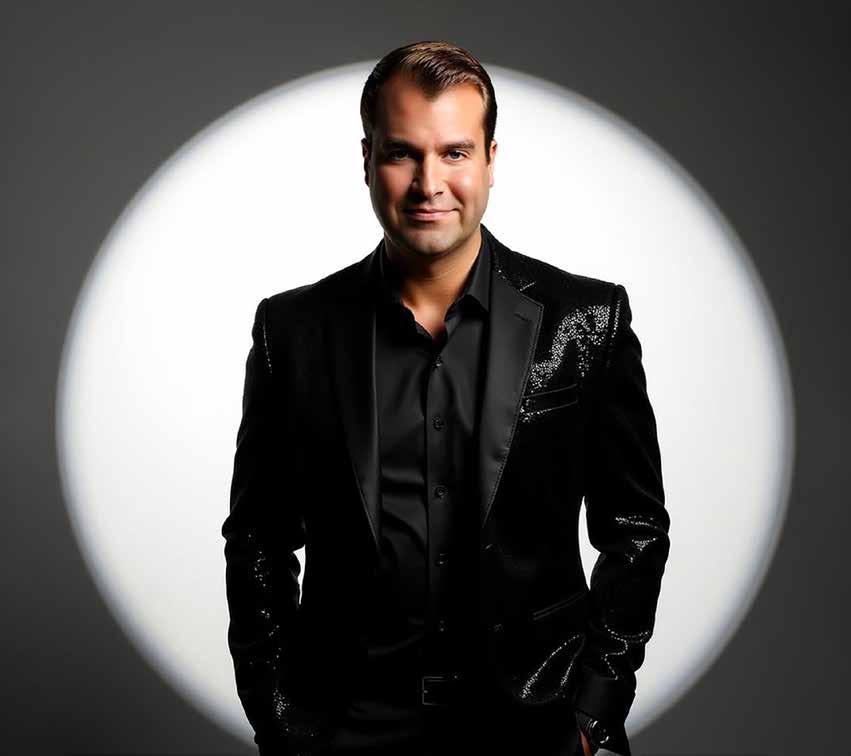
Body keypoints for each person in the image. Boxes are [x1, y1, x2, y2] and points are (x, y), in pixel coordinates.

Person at [222, 40, 671, 756]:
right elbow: (258, 539)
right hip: (346, 723)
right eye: (402, 153)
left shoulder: (587, 320)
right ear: (366, 159)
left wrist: (594, 709)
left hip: (537, 721)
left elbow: (635, 529)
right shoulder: (293, 331)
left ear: (490, 159)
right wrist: (278, 714)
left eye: (454, 153)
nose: (428, 183)